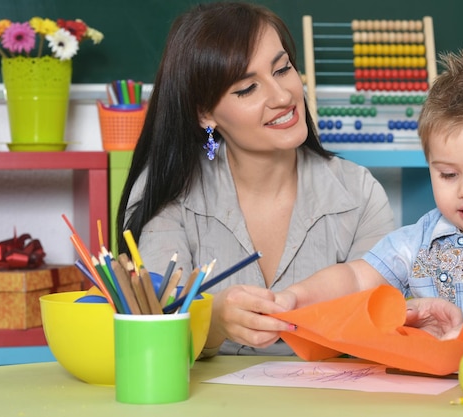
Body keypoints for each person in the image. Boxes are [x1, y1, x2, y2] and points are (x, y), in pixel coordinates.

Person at [275, 49, 463, 382]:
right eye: (448, 175)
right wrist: (294, 296)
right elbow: (355, 277)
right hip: (433, 395)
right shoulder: (418, 240)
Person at [116, 2, 396, 357]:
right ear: (205, 113)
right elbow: (153, 339)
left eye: (282, 70)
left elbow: (379, 321)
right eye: (247, 89)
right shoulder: (169, 195)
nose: (282, 96)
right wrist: (215, 320)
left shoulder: (359, 192)